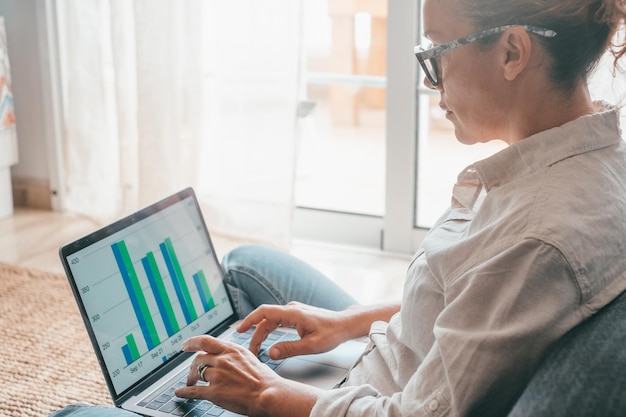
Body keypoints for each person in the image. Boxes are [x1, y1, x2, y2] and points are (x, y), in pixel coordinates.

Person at [51, 0, 626, 416]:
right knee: (248, 264)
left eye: (437, 52)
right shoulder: (586, 160)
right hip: (385, 361)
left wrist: (265, 393)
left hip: (356, 402)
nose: (430, 81)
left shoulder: (537, 240)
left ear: (511, 51)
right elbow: (470, 303)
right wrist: (345, 325)